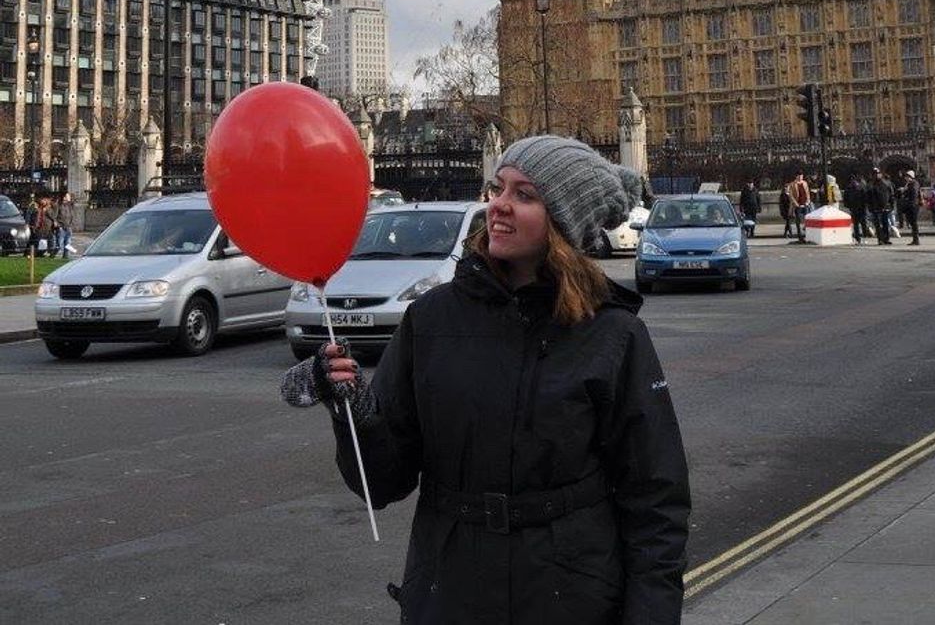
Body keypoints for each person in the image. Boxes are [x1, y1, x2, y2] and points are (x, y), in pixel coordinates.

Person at [282, 135, 691, 624]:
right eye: (498, 188)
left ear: (562, 223)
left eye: (525, 194)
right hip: (451, 589)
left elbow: (655, 500)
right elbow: (381, 483)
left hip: (570, 593)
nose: (499, 205)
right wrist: (351, 408)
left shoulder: (612, 333)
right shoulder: (430, 319)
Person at [867, 168, 894, 245]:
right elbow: (868, 197)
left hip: (885, 207)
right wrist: (870, 207)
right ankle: (880, 239)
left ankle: (886, 238)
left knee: (885, 224)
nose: (877, 175)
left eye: (878, 173)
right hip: (876, 208)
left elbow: (891, 195)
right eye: (875, 174)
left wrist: (891, 205)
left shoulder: (886, 183)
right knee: (878, 225)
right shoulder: (871, 185)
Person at [843, 176, 867, 245]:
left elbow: (845, 199)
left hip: (854, 208)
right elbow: (864, 197)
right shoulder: (861, 187)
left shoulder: (848, 188)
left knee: (856, 224)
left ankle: (857, 238)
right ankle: (863, 237)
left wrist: (849, 206)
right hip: (861, 208)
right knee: (862, 223)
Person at [899, 171, 921, 246]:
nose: (906, 178)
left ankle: (916, 240)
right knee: (912, 223)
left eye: (907, 176)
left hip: (913, 205)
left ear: (910, 177)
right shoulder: (909, 184)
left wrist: (905, 190)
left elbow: (914, 194)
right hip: (910, 205)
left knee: (914, 223)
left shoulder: (914, 183)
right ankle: (914, 239)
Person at [55, 192, 75, 258]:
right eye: (67, 196)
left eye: (69, 196)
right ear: (63, 197)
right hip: (61, 227)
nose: (68, 198)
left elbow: (72, 215)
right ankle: (52, 254)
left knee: (68, 243)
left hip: (68, 226)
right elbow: (55, 216)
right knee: (59, 244)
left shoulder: (70, 205)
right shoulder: (59, 205)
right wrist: (58, 225)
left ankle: (65, 256)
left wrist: (71, 224)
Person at [790, 173, 810, 241]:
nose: (800, 177)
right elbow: (791, 195)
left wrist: (808, 201)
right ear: (796, 176)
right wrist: (795, 203)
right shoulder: (793, 184)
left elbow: (807, 193)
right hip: (798, 204)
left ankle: (807, 234)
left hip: (805, 204)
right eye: (799, 176)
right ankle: (800, 235)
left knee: (807, 220)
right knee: (798, 220)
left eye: (802, 176)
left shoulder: (805, 183)